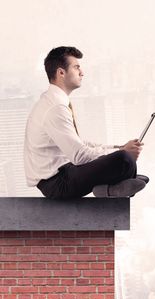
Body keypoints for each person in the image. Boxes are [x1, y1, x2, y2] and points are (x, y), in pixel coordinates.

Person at [24, 46, 148, 199]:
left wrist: (120, 147)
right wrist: (121, 153)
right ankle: (112, 188)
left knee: (125, 158)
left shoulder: (55, 101)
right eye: (76, 67)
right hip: (56, 184)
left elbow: (80, 144)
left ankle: (113, 187)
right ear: (61, 72)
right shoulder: (55, 107)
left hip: (64, 172)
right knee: (124, 160)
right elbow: (79, 155)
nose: (82, 73)